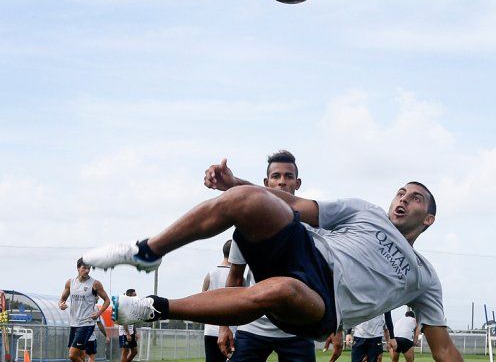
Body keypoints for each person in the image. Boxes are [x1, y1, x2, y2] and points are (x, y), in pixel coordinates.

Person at [82, 158, 464, 362]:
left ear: (427, 218)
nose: (403, 197)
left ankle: (155, 308)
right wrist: (234, 184)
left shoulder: (423, 276)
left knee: (280, 290)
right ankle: (147, 250)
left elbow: (443, 348)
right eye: (401, 191)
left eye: (415, 197)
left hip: (322, 302)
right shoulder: (365, 211)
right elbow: (295, 205)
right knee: (246, 201)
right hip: (304, 247)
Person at [217, 150, 330, 362]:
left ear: (297, 183)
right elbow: (234, 279)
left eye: (288, 177)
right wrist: (225, 327)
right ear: (266, 182)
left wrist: (337, 327)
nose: (282, 182)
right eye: (276, 176)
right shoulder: (251, 226)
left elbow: (329, 280)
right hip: (253, 327)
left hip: (299, 330)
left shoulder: (314, 229)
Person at [60, 258, 111, 362]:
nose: (87, 271)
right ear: (78, 268)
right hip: (74, 323)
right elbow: (62, 299)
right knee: (81, 356)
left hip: (86, 324)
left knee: (72, 355)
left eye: (89, 268)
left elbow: (107, 300)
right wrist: (61, 305)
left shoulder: (95, 284)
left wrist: (98, 313)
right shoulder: (70, 282)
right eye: (84, 268)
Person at [203, 240, 233, 362]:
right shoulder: (238, 277)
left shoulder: (210, 274)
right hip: (232, 332)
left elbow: (203, 301)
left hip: (210, 330)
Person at [118, 289, 140, 362]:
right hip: (124, 332)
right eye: (134, 295)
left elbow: (132, 321)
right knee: (125, 352)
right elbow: (124, 321)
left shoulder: (133, 306)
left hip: (131, 332)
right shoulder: (125, 306)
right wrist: (127, 334)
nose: (136, 296)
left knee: (134, 351)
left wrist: (135, 332)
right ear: (129, 296)